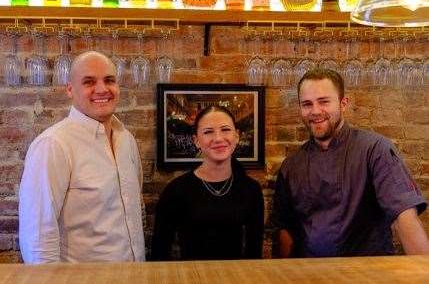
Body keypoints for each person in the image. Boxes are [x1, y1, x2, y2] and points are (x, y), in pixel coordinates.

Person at [271, 68, 429, 257]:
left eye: (324, 102)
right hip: (310, 273)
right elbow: (285, 228)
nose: (315, 111)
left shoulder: (375, 149)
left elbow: (404, 214)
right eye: (307, 104)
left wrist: (422, 270)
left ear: (343, 103)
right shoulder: (292, 165)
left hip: (368, 272)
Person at [19, 51, 145, 264]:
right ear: (70, 89)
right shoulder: (53, 145)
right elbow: (38, 239)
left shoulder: (126, 139)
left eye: (109, 80)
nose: (102, 89)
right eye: (89, 82)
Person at [151, 105, 264, 260]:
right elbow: (160, 254)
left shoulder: (251, 189)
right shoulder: (176, 191)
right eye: (208, 132)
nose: (218, 138)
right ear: (196, 140)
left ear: (237, 136)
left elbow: (254, 253)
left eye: (225, 130)